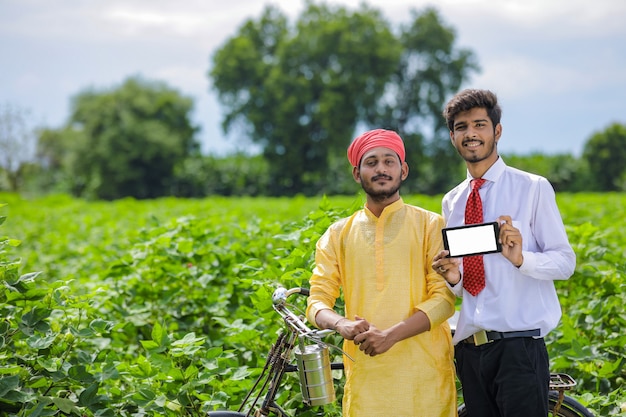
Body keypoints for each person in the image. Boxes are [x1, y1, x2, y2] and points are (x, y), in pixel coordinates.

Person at [432, 89, 576, 416]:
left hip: (519, 349)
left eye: (480, 124)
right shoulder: (452, 201)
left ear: (497, 131)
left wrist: (522, 259)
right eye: (461, 127)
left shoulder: (532, 187)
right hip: (470, 352)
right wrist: (454, 277)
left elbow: (565, 262)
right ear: (452, 136)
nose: (471, 134)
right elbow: (467, 278)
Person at [306, 128, 457, 417]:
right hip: (366, 377)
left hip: (424, 376)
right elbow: (316, 302)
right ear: (356, 173)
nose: (381, 169)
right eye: (371, 162)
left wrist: (390, 336)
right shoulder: (338, 234)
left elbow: (443, 301)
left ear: (404, 170)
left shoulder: (431, 226)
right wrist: (341, 325)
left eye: (389, 161)